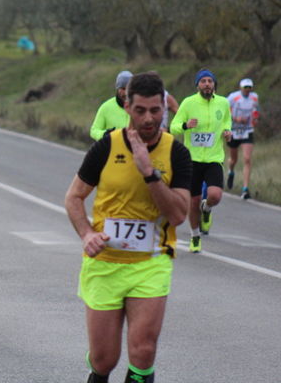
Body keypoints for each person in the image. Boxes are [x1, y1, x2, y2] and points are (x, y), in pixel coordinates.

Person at [65, 72, 192, 383]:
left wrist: (149, 173)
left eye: (155, 110)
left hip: (151, 263)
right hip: (105, 264)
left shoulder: (176, 152)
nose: (149, 119)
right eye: (140, 111)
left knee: (143, 351)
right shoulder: (107, 146)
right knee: (104, 360)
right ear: (127, 107)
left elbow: (178, 215)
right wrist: (87, 234)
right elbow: (74, 198)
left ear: (164, 108)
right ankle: (97, 359)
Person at [170, 69, 232, 253]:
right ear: (197, 85)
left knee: (214, 196)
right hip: (193, 160)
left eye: (210, 81)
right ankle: (195, 236)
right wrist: (185, 126)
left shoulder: (223, 102)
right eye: (203, 81)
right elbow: (173, 127)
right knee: (193, 201)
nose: (207, 84)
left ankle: (207, 209)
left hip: (214, 158)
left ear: (214, 85)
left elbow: (227, 122)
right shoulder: (188, 103)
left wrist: (228, 132)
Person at [226, 78, 260, 200]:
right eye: (245, 87)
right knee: (233, 159)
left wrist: (255, 118)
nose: (247, 90)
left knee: (247, 158)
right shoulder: (233, 97)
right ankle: (231, 171)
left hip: (247, 130)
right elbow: (223, 109)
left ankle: (245, 189)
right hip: (234, 130)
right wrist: (236, 119)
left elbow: (256, 110)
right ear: (241, 88)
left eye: (249, 88)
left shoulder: (254, 97)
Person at [89, 71, 133, 141]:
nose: (126, 93)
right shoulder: (106, 107)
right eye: (123, 89)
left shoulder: (138, 108)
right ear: (117, 89)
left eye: (128, 89)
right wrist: (105, 134)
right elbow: (94, 130)